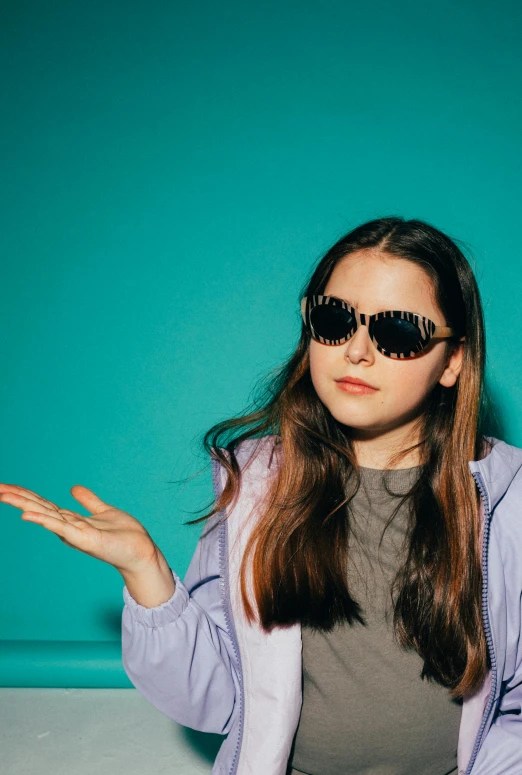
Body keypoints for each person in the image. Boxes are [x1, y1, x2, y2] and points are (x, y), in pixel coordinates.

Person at [1, 217, 521, 775]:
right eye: (335, 319)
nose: (357, 351)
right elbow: (217, 699)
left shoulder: (506, 501)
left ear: (454, 361)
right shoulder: (257, 492)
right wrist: (147, 574)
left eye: (399, 331)